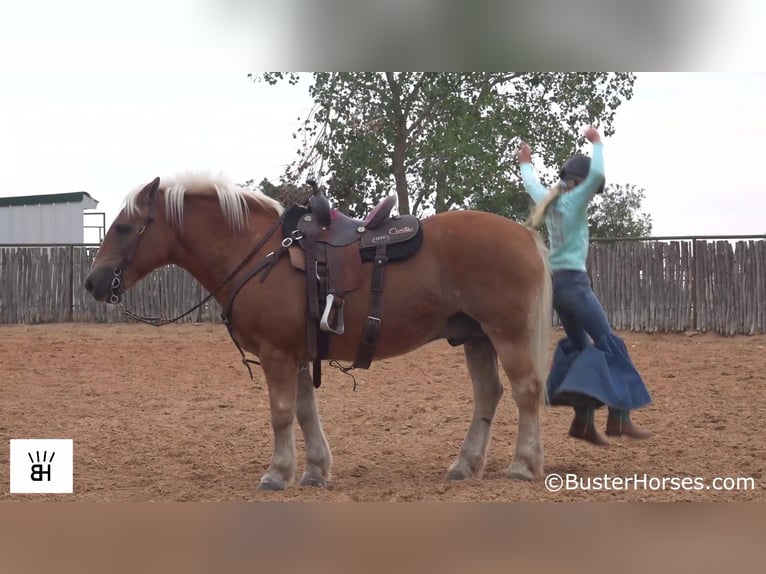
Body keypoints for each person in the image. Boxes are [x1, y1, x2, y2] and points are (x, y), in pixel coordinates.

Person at [518, 126, 652, 446]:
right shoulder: (575, 201)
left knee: (582, 347)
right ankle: (620, 419)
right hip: (576, 286)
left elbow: (531, 183)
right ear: (576, 182)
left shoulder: (550, 201)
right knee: (610, 343)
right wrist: (598, 144)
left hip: (556, 288)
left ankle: (583, 423)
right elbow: (596, 176)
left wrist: (526, 162)